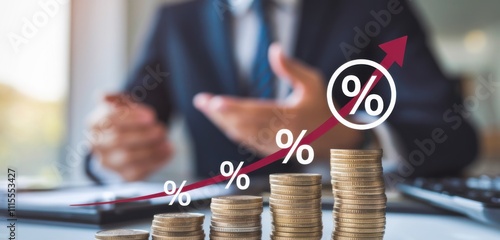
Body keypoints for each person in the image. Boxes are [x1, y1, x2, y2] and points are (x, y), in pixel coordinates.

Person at [86, 0, 478, 183]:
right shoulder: (176, 21)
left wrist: (351, 134)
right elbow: (122, 129)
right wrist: (114, 149)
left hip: (357, 239)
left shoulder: (378, 9)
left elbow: (455, 137)